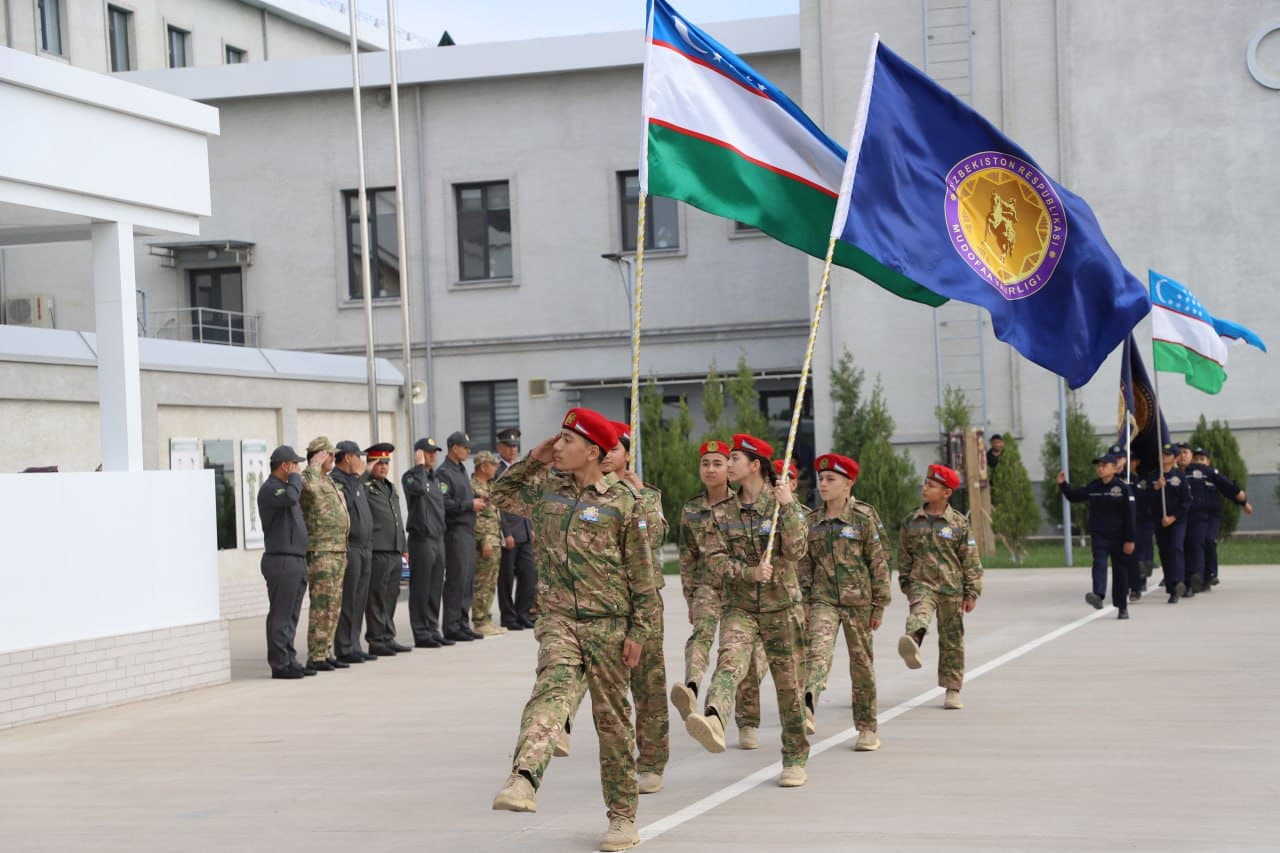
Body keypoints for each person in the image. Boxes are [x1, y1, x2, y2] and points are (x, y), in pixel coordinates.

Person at [489, 408, 659, 853]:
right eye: (558, 438)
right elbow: (499, 493)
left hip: (609, 627)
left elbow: (644, 577)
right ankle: (523, 778)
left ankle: (622, 817)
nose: (558, 446)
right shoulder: (547, 488)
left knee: (612, 722)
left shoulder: (625, 502)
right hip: (559, 620)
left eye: (567, 440)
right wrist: (533, 458)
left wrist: (639, 633)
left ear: (593, 451)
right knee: (551, 692)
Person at [683, 433, 811, 789]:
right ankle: (714, 718)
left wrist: (788, 507)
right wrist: (747, 573)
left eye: (735, 458)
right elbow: (715, 559)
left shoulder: (783, 503)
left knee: (789, 688)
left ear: (755, 465)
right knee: (730, 663)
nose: (728, 463)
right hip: (741, 606)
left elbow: (797, 550)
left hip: (781, 608)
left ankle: (795, 758)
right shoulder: (722, 512)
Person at [670, 439, 765, 751]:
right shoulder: (691, 510)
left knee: (742, 657)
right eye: (705, 464)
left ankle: (747, 721)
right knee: (701, 633)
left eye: (718, 463)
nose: (710, 469)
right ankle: (692, 686)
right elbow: (687, 558)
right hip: (707, 587)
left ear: (730, 469)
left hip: (741, 589)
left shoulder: (744, 506)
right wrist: (690, 597)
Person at [802, 453, 890, 751]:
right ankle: (807, 708)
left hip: (858, 603)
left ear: (848, 485)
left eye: (830, 480)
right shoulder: (812, 522)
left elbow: (878, 563)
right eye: (821, 479)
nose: (823, 485)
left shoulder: (864, 518)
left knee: (861, 665)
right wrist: (804, 605)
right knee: (817, 654)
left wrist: (879, 605)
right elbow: (804, 567)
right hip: (822, 601)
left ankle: (867, 728)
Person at [897, 464, 983, 708]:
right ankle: (913, 641)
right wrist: (906, 581)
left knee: (952, 640)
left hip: (951, 588)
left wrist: (972, 592)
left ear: (946, 493)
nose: (925, 488)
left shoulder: (958, 524)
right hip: (921, 584)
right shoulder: (912, 521)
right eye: (925, 483)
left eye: (931, 485)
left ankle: (952, 689)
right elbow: (904, 554)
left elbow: (971, 559)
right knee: (919, 614)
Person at [1057, 454, 1136, 619]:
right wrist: (1063, 485)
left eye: (1104, 465)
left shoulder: (1122, 488)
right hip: (1100, 535)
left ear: (1114, 468)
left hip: (1119, 536)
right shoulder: (1095, 487)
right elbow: (1075, 496)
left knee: (1120, 572)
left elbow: (1130, 515)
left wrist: (1130, 539)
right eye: (1098, 465)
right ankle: (1098, 595)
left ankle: (1122, 607)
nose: (1100, 468)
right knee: (1099, 563)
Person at [257, 445, 311, 679]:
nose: (298, 469)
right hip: (281, 560)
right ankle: (279, 664)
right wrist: (296, 479)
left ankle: (289, 657)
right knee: (281, 614)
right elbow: (291, 496)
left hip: (296, 560)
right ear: (285, 466)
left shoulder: (287, 488)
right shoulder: (271, 489)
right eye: (295, 464)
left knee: (292, 614)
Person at [300, 437, 350, 671]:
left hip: (337, 550)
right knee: (322, 604)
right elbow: (308, 489)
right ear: (319, 455)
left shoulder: (327, 480)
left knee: (334, 605)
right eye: (329, 455)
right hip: (321, 550)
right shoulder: (308, 478)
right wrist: (314, 464)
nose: (333, 459)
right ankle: (316, 655)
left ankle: (326, 650)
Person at [403, 437, 451, 648]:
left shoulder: (436, 479)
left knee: (434, 587)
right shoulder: (412, 477)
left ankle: (432, 627)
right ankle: (421, 632)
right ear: (419, 454)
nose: (433, 456)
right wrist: (419, 466)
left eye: (434, 452)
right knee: (421, 588)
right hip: (421, 539)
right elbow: (419, 489)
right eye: (428, 452)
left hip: (438, 538)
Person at [364, 443, 412, 656]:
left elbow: (397, 518)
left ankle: (388, 635)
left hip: (394, 549)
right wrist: (364, 473)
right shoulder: (365, 486)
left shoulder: (389, 487)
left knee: (391, 595)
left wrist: (403, 545)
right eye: (378, 462)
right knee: (376, 596)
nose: (383, 467)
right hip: (377, 549)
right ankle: (376, 640)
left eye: (386, 463)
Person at [1186, 447, 1252, 592]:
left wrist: (1243, 503)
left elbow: (1229, 488)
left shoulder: (1212, 474)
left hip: (1212, 516)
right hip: (1195, 516)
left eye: (1202, 459)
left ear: (1208, 462)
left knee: (1210, 540)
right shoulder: (1187, 473)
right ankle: (1199, 577)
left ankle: (1211, 574)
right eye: (1196, 459)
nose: (1199, 462)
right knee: (1198, 543)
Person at [331, 440, 374, 665]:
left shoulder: (354, 480)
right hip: (351, 547)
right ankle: (345, 647)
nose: (362, 460)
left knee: (359, 599)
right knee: (348, 599)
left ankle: (355, 643)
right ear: (348, 457)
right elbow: (343, 506)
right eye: (359, 455)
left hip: (365, 546)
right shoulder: (337, 480)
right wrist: (358, 478)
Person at [439, 431, 483, 642]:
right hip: (455, 531)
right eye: (465, 447)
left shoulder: (461, 470)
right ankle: (452, 625)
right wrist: (469, 505)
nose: (468, 451)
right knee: (457, 578)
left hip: (468, 530)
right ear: (454, 448)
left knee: (467, 580)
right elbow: (444, 504)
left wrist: (477, 500)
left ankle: (463, 622)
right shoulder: (444, 473)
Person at [495, 427, 536, 631]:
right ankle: (508, 616)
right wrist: (506, 532)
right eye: (509, 446)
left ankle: (523, 612)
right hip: (510, 531)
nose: (513, 450)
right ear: (500, 447)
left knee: (529, 574)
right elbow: (498, 505)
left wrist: (531, 527)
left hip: (525, 530)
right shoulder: (497, 471)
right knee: (506, 578)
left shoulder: (520, 470)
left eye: (515, 446)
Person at [471, 450, 507, 636]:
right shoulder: (472, 486)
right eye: (493, 465)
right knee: (482, 582)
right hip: (484, 541)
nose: (495, 468)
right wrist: (483, 539)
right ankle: (479, 620)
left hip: (495, 538)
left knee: (491, 582)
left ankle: (486, 618)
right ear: (483, 466)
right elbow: (474, 518)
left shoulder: (492, 485)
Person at [1151, 443, 1191, 603]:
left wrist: (1173, 517)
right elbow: (1145, 499)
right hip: (1159, 520)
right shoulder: (1154, 476)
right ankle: (1170, 585)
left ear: (1174, 458)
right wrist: (1155, 488)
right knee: (1165, 552)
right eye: (1161, 454)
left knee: (1176, 548)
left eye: (1167, 455)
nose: (1163, 457)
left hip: (1177, 520)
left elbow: (1187, 502)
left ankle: (1177, 583)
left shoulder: (1180, 477)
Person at [1126, 453, 1156, 600]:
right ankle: (1135, 584)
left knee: (1145, 548)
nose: (1129, 463)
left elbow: (1151, 496)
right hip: (1132, 519)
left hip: (1146, 518)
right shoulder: (1125, 479)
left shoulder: (1145, 477)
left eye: (1132, 460)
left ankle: (1142, 579)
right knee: (1133, 552)